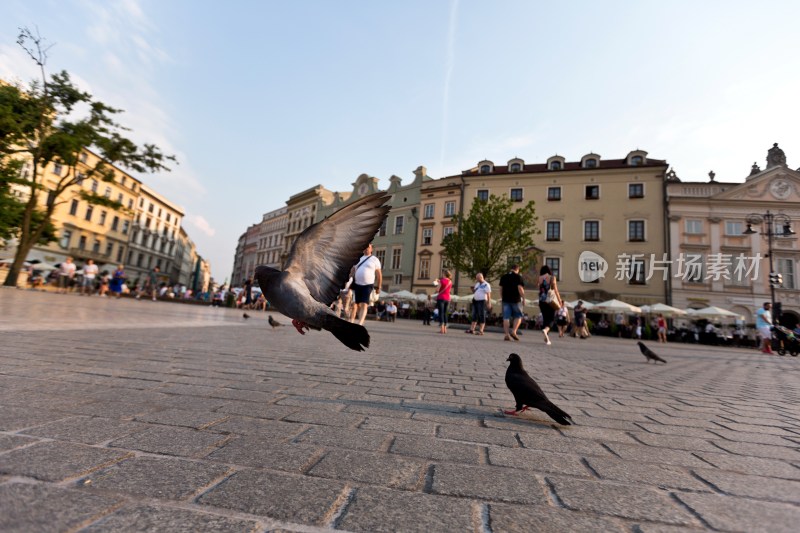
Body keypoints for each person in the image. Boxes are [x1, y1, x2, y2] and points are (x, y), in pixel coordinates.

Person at [351, 242, 382, 326]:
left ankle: (360, 323)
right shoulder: (358, 258)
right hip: (357, 284)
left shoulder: (374, 259)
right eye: (365, 247)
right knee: (356, 304)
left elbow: (379, 274)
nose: (366, 248)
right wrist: (348, 278)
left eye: (368, 247)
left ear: (371, 249)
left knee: (364, 303)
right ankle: (359, 317)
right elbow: (352, 271)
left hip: (368, 284)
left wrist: (379, 286)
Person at [536, 265, 561, 345]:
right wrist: (559, 300)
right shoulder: (552, 277)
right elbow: (555, 289)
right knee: (551, 319)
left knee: (545, 318)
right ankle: (546, 330)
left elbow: (539, 288)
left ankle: (546, 338)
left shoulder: (540, 278)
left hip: (541, 301)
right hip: (550, 301)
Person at [501, 264, 526, 342]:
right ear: (517, 269)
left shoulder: (504, 277)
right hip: (516, 300)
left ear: (511, 269)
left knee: (506, 317)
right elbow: (520, 288)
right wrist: (524, 298)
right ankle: (514, 331)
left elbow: (501, 289)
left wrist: (502, 297)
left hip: (505, 300)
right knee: (518, 316)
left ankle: (506, 335)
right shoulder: (518, 277)